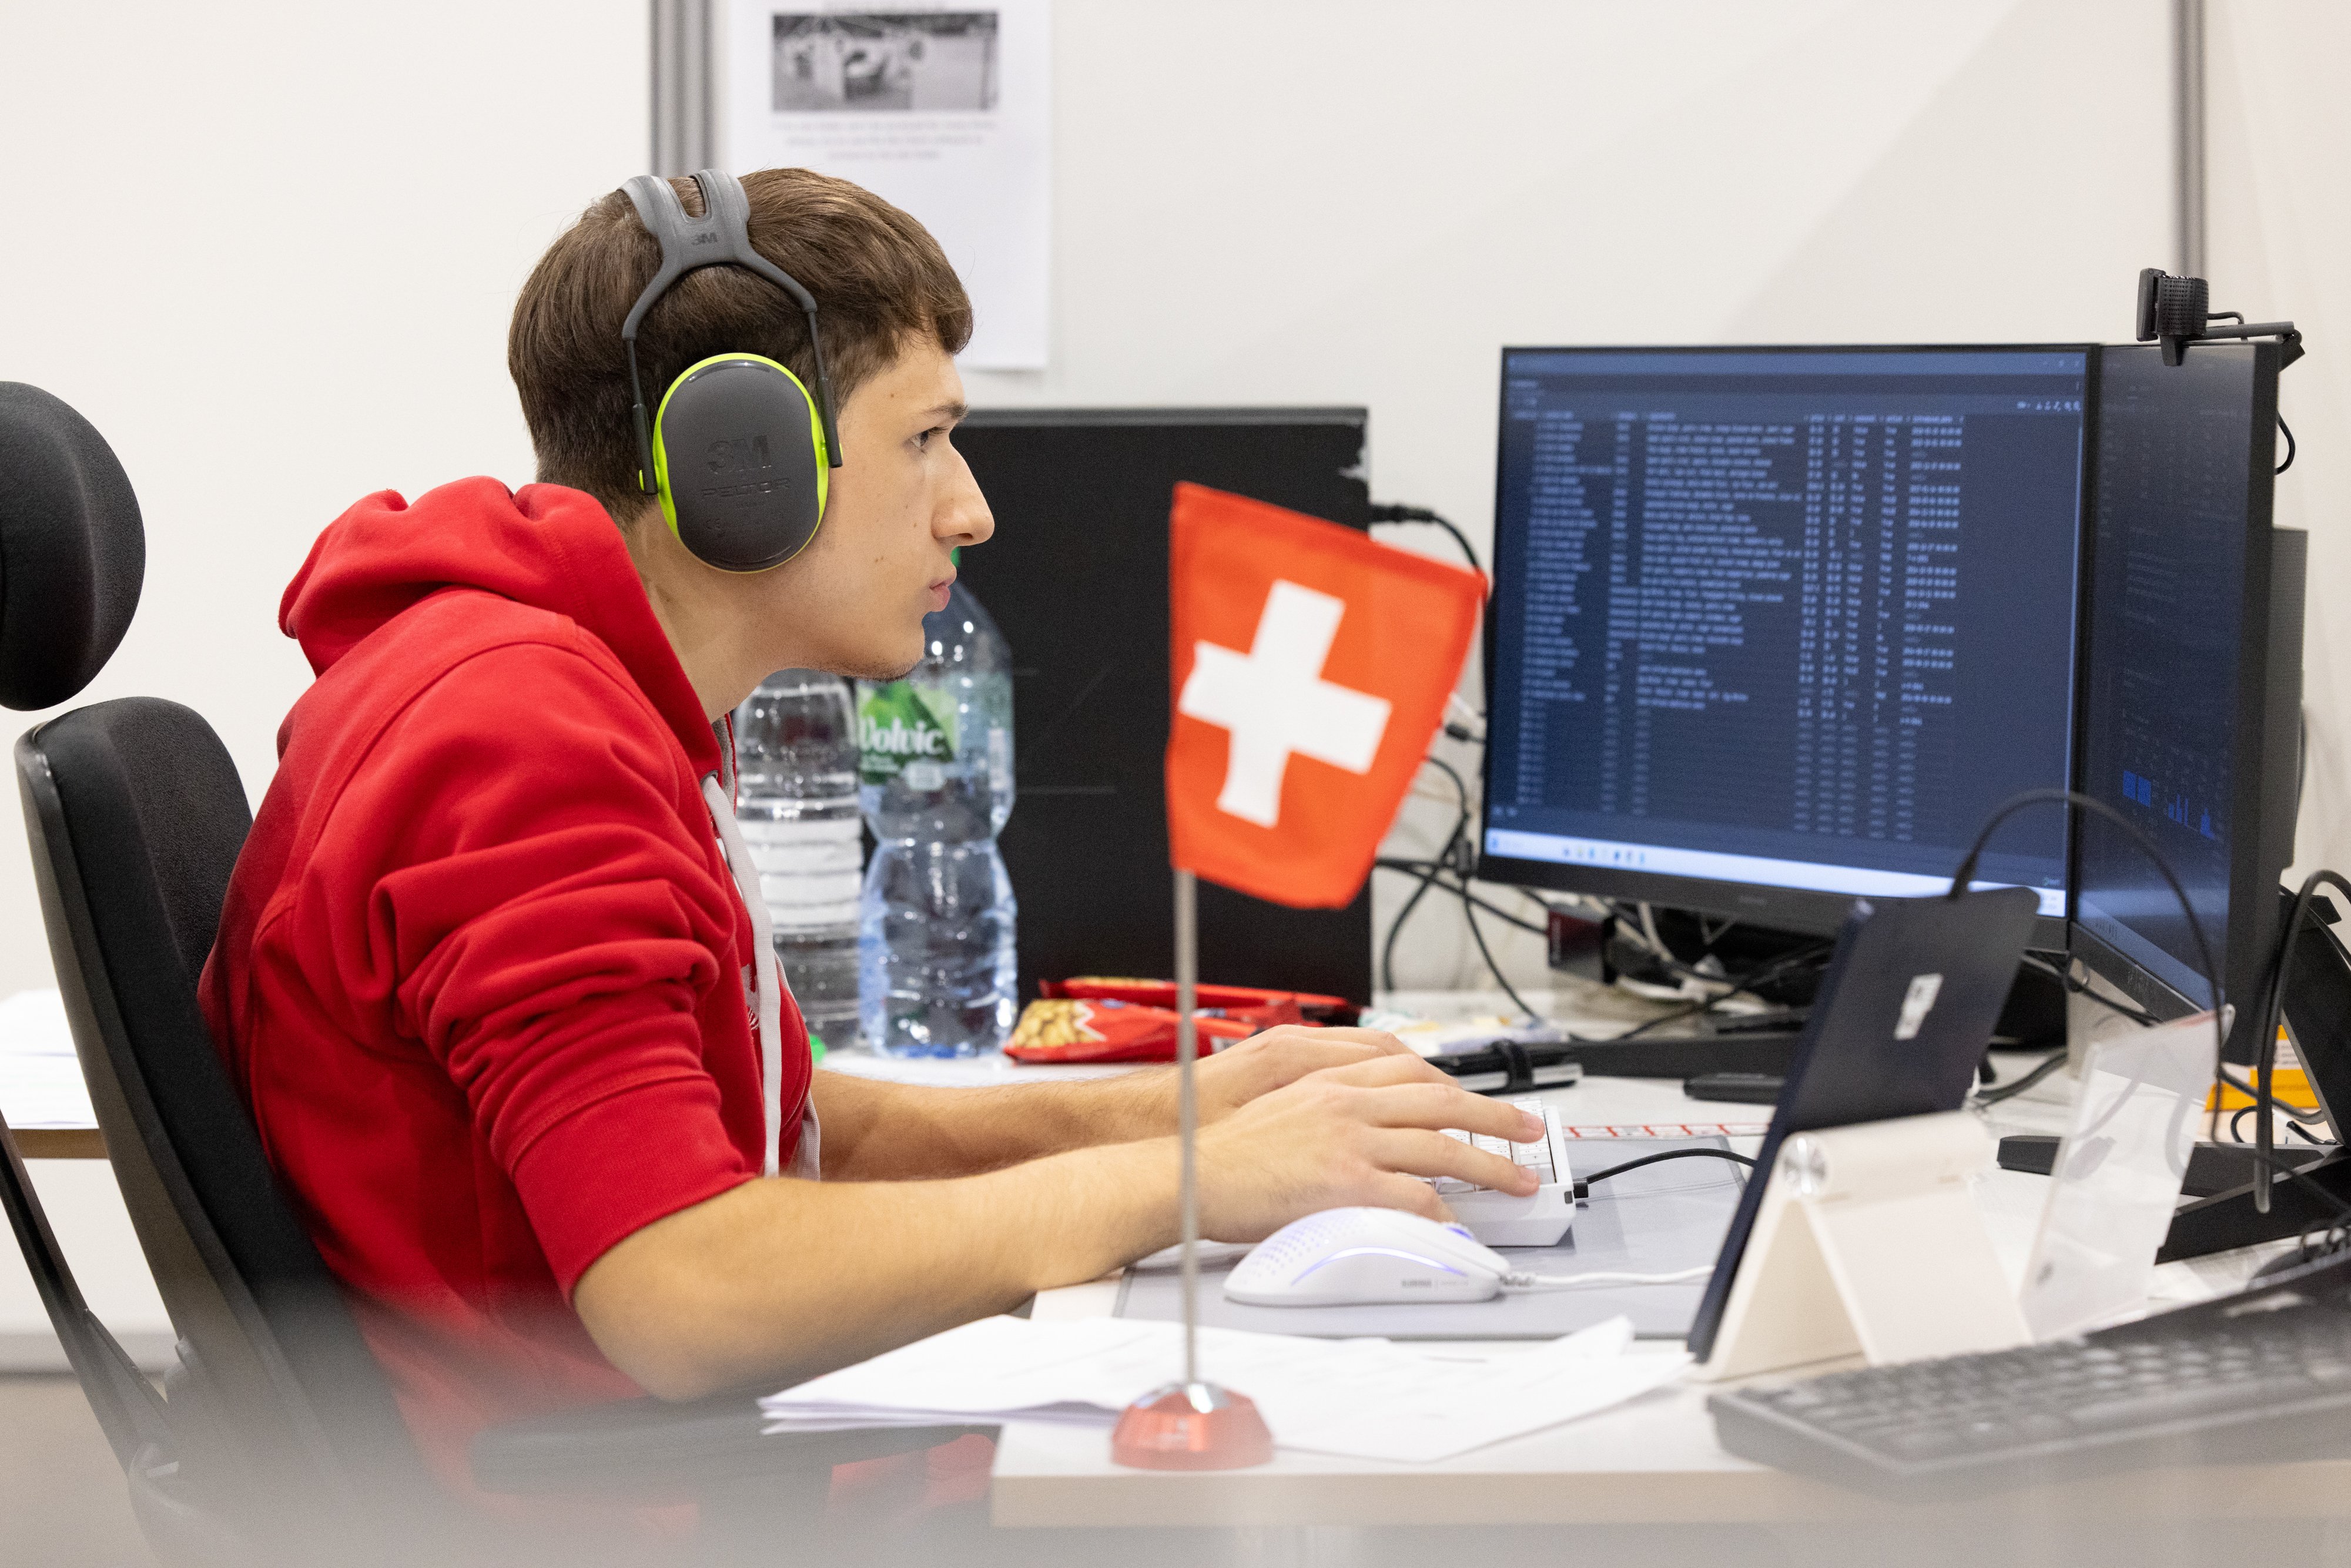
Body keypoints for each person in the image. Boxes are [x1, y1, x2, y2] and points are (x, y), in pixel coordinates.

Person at [197, 166, 1541, 1491]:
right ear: (744, 462)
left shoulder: (559, 689)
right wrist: (1186, 1185)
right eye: (922, 439)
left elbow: (764, 1120)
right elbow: (684, 1285)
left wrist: (1176, 1114)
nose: (971, 507)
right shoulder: (520, 742)